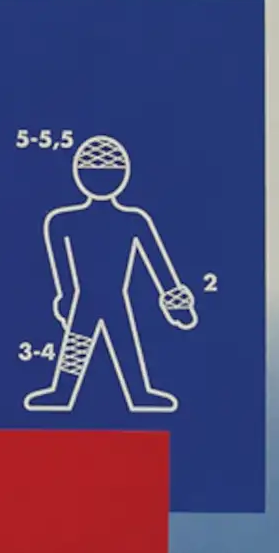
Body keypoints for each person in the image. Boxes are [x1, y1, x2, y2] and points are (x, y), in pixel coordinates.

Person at [24, 135, 197, 413]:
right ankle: (66, 394)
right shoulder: (62, 221)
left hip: (111, 296)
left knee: (119, 343)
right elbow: (61, 267)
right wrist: (66, 296)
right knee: (82, 345)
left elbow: (157, 264)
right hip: (86, 297)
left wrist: (174, 298)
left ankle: (137, 394)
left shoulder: (132, 221)